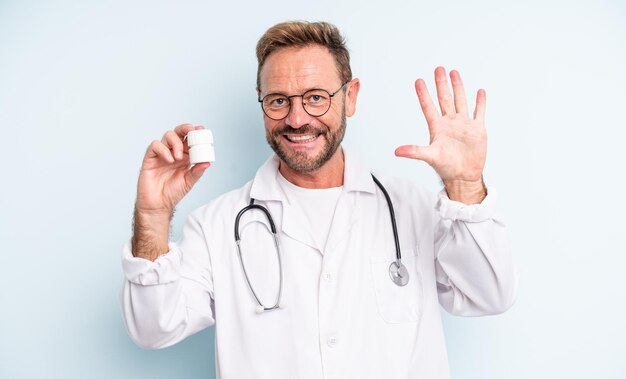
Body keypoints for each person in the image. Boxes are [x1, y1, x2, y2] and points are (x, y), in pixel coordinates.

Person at [121, 21, 518, 379]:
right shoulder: (217, 225)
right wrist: (153, 215)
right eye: (278, 100)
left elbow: (488, 296)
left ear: (351, 98)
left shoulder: (411, 208)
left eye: (315, 98)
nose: (296, 119)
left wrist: (466, 186)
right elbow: (155, 328)